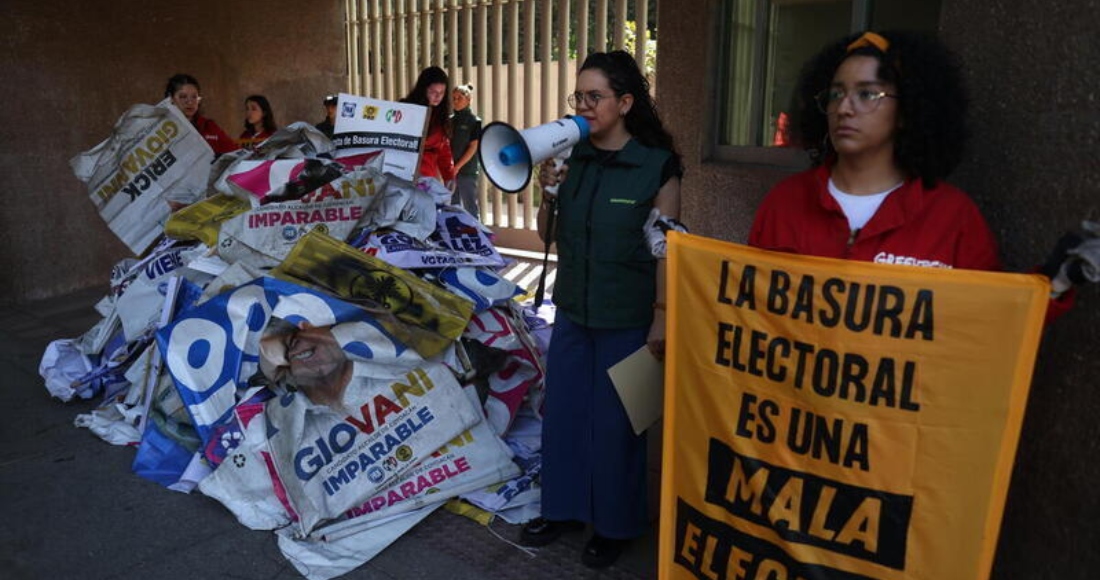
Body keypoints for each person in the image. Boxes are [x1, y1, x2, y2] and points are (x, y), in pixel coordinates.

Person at [747, 30, 1076, 319]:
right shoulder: (784, 203)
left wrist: (1056, 283)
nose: (844, 108)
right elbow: (746, 313)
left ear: (907, 112)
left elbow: (989, 322)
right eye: (836, 93)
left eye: (866, 94)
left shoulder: (952, 217)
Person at [521, 50, 683, 569]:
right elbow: (549, 236)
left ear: (626, 102)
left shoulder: (657, 166)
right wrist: (548, 194)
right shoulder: (574, 157)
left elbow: (666, 250)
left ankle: (615, 525)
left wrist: (661, 315)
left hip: (628, 316)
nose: (584, 106)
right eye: (579, 96)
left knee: (617, 426)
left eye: (596, 97)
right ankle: (564, 509)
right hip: (573, 312)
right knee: (564, 416)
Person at [401, 66, 455, 187]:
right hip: (403, 175)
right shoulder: (405, 109)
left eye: (442, 93)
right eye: (433, 92)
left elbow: (444, 150)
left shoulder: (441, 117)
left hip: (427, 179)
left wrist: (449, 176)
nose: (438, 97)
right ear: (423, 89)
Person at [164, 73, 239, 157]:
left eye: (194, 97)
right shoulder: (162, 129)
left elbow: (234, 151)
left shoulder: (209, 126)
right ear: (171, 99)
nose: (190, 102)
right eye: (183, 97)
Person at [449, 83, 482, 216]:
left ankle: (477, 235)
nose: (456, 101)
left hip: (467, 171)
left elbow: (473, 147)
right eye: (454, 98)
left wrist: (457, 167)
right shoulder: (449, 121)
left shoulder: (475, 121)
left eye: (459, 98)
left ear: (468, 100)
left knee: (470, 207)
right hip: (450, 171)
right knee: (452, 207)